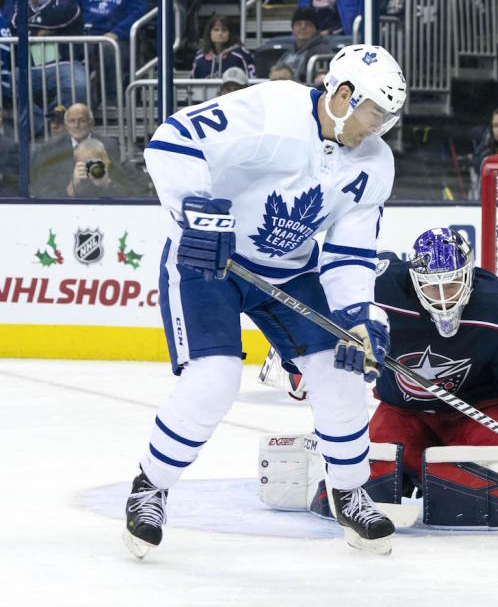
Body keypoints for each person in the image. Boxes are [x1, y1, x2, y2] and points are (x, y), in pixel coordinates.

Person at [122, 45, 407, 558]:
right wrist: (199, 216)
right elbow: (172, 141)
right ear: (343, 95)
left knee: (340, 370)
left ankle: (348, 492)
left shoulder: (374, 163)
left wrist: (357, 316)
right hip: (210, 261)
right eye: (374, 113)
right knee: (214, 379)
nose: (379, 126)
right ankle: (150, 489)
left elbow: (347, 251)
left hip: (292, 272)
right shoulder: (273, 109)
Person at [268, 228, 498, 499]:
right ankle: (412, 476)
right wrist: (299, 362)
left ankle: (447, 478)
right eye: (431, 286)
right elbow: (328, 305)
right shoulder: (381, 291)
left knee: (494, 467)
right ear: (414, 280)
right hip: (405, 412)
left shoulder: (495, 307)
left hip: (479, 411)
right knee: (369, 470)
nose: (443, 297)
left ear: (468, 276)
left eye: (451, 285)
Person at [10, 0, 87, 130]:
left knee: (79, 83)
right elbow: (14, 25)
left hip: (65, 64)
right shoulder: (19, 7)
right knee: (8, 82)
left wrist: (30, 28)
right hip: (32, 69)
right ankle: (42, 126)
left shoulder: (65, 1)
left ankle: (55, 118)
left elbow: (62, 17)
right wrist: (41, 30)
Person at [74, 0, 147, 100]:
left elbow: (136, 15)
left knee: (108, 48)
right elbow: (75, 7)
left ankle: (111, 98)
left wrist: (116, 33)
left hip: (118, 38)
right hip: (86, 34)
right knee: (68, 46)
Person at [29, 102, 120, 196]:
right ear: (66, 125)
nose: (76, 125)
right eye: (72, 121)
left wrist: (106, 184)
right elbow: (41, 190)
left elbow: (122, 186)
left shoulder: (110, 145)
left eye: (82, 120)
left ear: (91, 123)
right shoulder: (49, 149)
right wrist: (71, 188)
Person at [65, 137, 143, 197]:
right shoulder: (70, 177)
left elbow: (135, 197)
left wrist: (107, 184)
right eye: (86, 163)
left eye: (94, 161)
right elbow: (60, 205)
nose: (91, 166)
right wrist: (74, 184)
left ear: (106, 160)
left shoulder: (123, 172)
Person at [190, 14, 256, 80]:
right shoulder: (200, 56)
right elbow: (192, 84)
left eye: (224, 30)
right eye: (216, 30)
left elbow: (251, 82)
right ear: (209, 33)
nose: (220, 33)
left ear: (230, 33)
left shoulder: (242, 54)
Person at [275, 7, 332, 83]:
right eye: (298, 24)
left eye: (308, 24)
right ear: (293, 28)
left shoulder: (323, 52)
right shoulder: (287, 54)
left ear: (316, 28)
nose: (303, 27)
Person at [297, 0, 362, 37]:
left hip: (345, 38)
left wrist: (330, 31)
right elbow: (301, 17)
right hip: (313, 40)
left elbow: (359, 17)